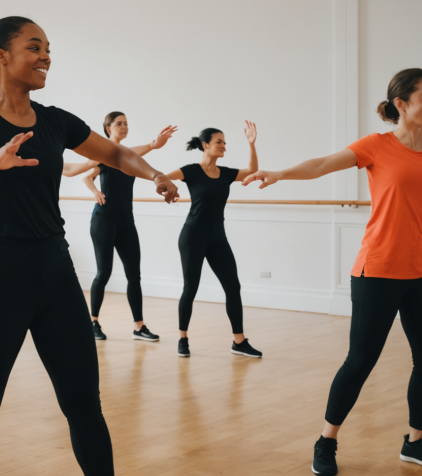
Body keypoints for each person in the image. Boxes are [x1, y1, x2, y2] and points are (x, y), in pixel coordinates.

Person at [0, 16, 179, 475]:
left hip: (54, 271)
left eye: (48, 47)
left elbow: (114, 153)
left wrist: (155, 174)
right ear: (1, 56)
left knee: (84, 406)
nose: (46, 55)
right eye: (34, 47)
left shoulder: (56, 122)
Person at [242, 68, 422, 476]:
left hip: (420, 272)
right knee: (361, 360)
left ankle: (415, 441)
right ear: (402, 104)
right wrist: (281, 173)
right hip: (378, 270)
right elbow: (322, 164)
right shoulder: (378, 146)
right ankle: (327, 441)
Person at [63, 112, 176, 342]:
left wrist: (155, 145)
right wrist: (95, 192)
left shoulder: (128, 154)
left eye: (126, 123)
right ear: (107, 128)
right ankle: (93, 322)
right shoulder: (102, 156)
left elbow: (134, 153)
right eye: (119, 124)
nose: (124, 127)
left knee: (134, 275)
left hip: (126, 220)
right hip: (103, 220)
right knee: (103, 273)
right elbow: (82, 174)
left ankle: (139, 326)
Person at [165, 122, 262, 359]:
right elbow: (163, 177)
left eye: (225, 143)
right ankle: (183, 338)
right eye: (219, 142)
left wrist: (252, 144)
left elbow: (251, 172)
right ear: (205, 145)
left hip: (218, 235)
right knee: (191, 287)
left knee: (233, 287)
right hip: (193, 235)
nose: (224, 146)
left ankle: (239, 341)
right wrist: (168, 187)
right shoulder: (191, 170)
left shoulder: (226, 173)